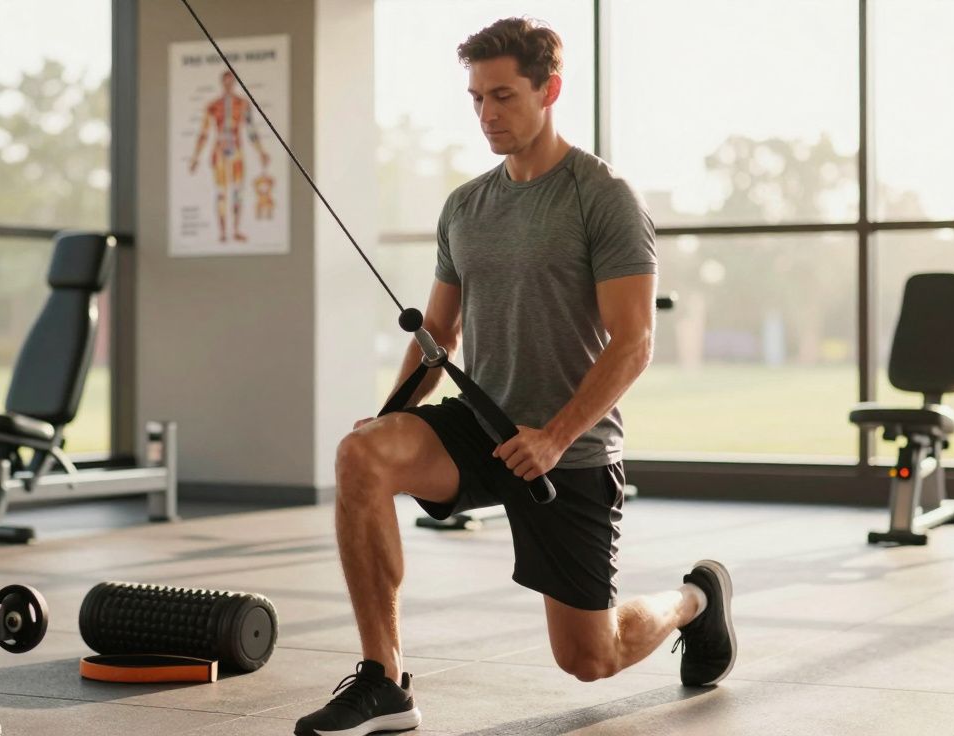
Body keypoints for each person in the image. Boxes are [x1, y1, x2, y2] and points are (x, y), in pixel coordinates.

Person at [294, 17, 736, 736]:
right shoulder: (465, 206)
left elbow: (635, 341)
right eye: (475, 99)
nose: (487, 114)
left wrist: (556, 437)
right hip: (480, 427)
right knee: (361, 456)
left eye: (502, 96)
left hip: (570, 449)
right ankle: (384, 680)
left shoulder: (603, 196)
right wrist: (389, 413)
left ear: (550, 89)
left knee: (592, 658)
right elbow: (439, 334)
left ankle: (695, 599)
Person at [188, 70, 271, 242]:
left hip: (237, 152)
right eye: (225, 82)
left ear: (234, 83)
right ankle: (223, 232)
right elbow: (204, 132)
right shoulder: (213, 105)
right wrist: (196, 157)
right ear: (222, 83)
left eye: (231, 82)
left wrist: (260, 151)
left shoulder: (242, 104)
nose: (228, 85)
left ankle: (235, 230)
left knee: (237, 192)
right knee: (221, 193)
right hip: (219, 152)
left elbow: (250, 130)